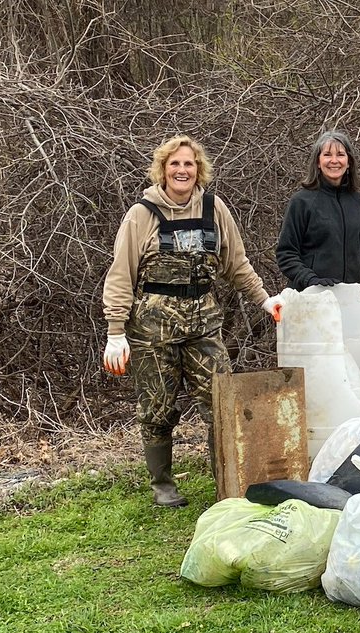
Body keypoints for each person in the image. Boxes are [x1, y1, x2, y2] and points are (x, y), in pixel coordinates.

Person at [101, 135, 283, 508]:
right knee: (157, 407)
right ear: (163, 170)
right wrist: (115, 332)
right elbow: (121, 274)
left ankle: (229, 483)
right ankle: (163, 485)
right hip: (152, 330)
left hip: (203, 327)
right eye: (175, 164)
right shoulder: (142, 213)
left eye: (189, 164)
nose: (182, 170)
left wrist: (265, 300)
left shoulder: (215, 209)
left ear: (199, 170)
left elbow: (237, 264)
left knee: (221, 403)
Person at [276, 130, 360, 289]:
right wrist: (310, 280)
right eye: (327, 154)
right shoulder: (301, 201)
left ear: (349, 162)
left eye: (340, 154)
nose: (334, 160)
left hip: (352, 296)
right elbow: (286, 254)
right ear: (318, 162)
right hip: (312, 297)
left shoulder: (357, 201)